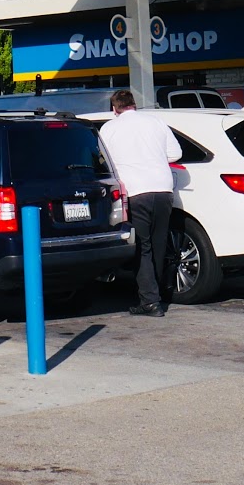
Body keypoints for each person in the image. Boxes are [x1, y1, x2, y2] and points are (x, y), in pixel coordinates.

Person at [97, 88, 183, 317]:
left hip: (135, 191)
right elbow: (176, 153)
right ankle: (159, 292)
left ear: (114, 108)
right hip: (163, 188)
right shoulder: (156, 122)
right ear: (134, 104)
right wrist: (153, 158)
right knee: (158, 243)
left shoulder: (109, 128)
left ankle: (150, 302)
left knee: (141, 246)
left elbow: (103, 160)